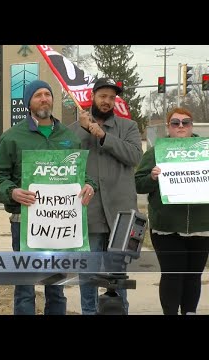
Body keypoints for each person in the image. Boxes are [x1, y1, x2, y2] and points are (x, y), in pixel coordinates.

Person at [0, 80, 96, 315]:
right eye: (38, 95)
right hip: (24, 224)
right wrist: (12, 191)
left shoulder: (69, 136)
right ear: (28, 103)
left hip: (60, 225)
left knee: (56, 287)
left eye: (48, 94)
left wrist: (89, 185)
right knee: (25, 287)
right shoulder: (13, 137)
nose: (44, 99)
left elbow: (84, 174)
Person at [68, 78, 143, 315]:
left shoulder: (128, 127)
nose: (107, 101)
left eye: (112, 97)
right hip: (89, 214)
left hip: (120, 217)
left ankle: (120, 311)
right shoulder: (73, 129)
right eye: (103, 96)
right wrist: (84, 131)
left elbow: (134, 157)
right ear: (93, 97)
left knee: (117, 276)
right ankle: (89, 312)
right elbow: (66, 160)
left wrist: (103, 136)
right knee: (88, 275)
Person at [135, 107, 209, 315]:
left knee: (193, 275)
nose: (181, 126)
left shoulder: (205, 150)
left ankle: (190, 312)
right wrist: (151, 177)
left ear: (192, 125)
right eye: (175, 123)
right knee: (173, 274)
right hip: (167, 227)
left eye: (186, 122)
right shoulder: (157, 152)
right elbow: (138, 184)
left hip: (201, 226)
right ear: (168, 127)